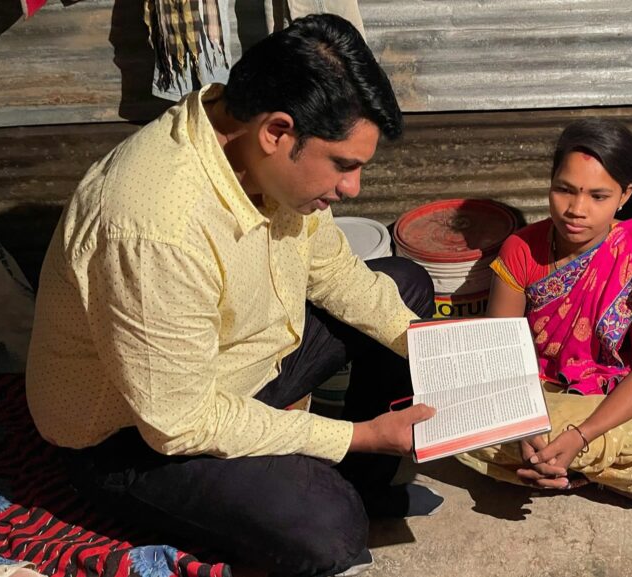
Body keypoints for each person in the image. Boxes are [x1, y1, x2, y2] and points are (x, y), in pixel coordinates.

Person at [25, 15, 440, 577]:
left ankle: (351, 484)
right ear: (276, 132)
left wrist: (433, 347)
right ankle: (331, 490)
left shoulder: (258, 150)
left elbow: (335, 273)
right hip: (136, 437)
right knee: (329, 528)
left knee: (404, 291)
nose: (352, 189)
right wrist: (355, 436)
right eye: (344, 166)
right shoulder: (155, 226)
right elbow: (179, 420)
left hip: (243, 369)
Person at [455, 119, 632, 519]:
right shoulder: (522, 248)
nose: (577, 210)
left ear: (625, 195)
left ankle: (561, 465)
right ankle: (612, 477)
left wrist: (581, 436)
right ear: (550, 183)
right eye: (565, 190)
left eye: (598, 195)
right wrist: (524, 425)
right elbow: (500, 352)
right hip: (543, 391)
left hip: (621, 395)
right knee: (456, 423)